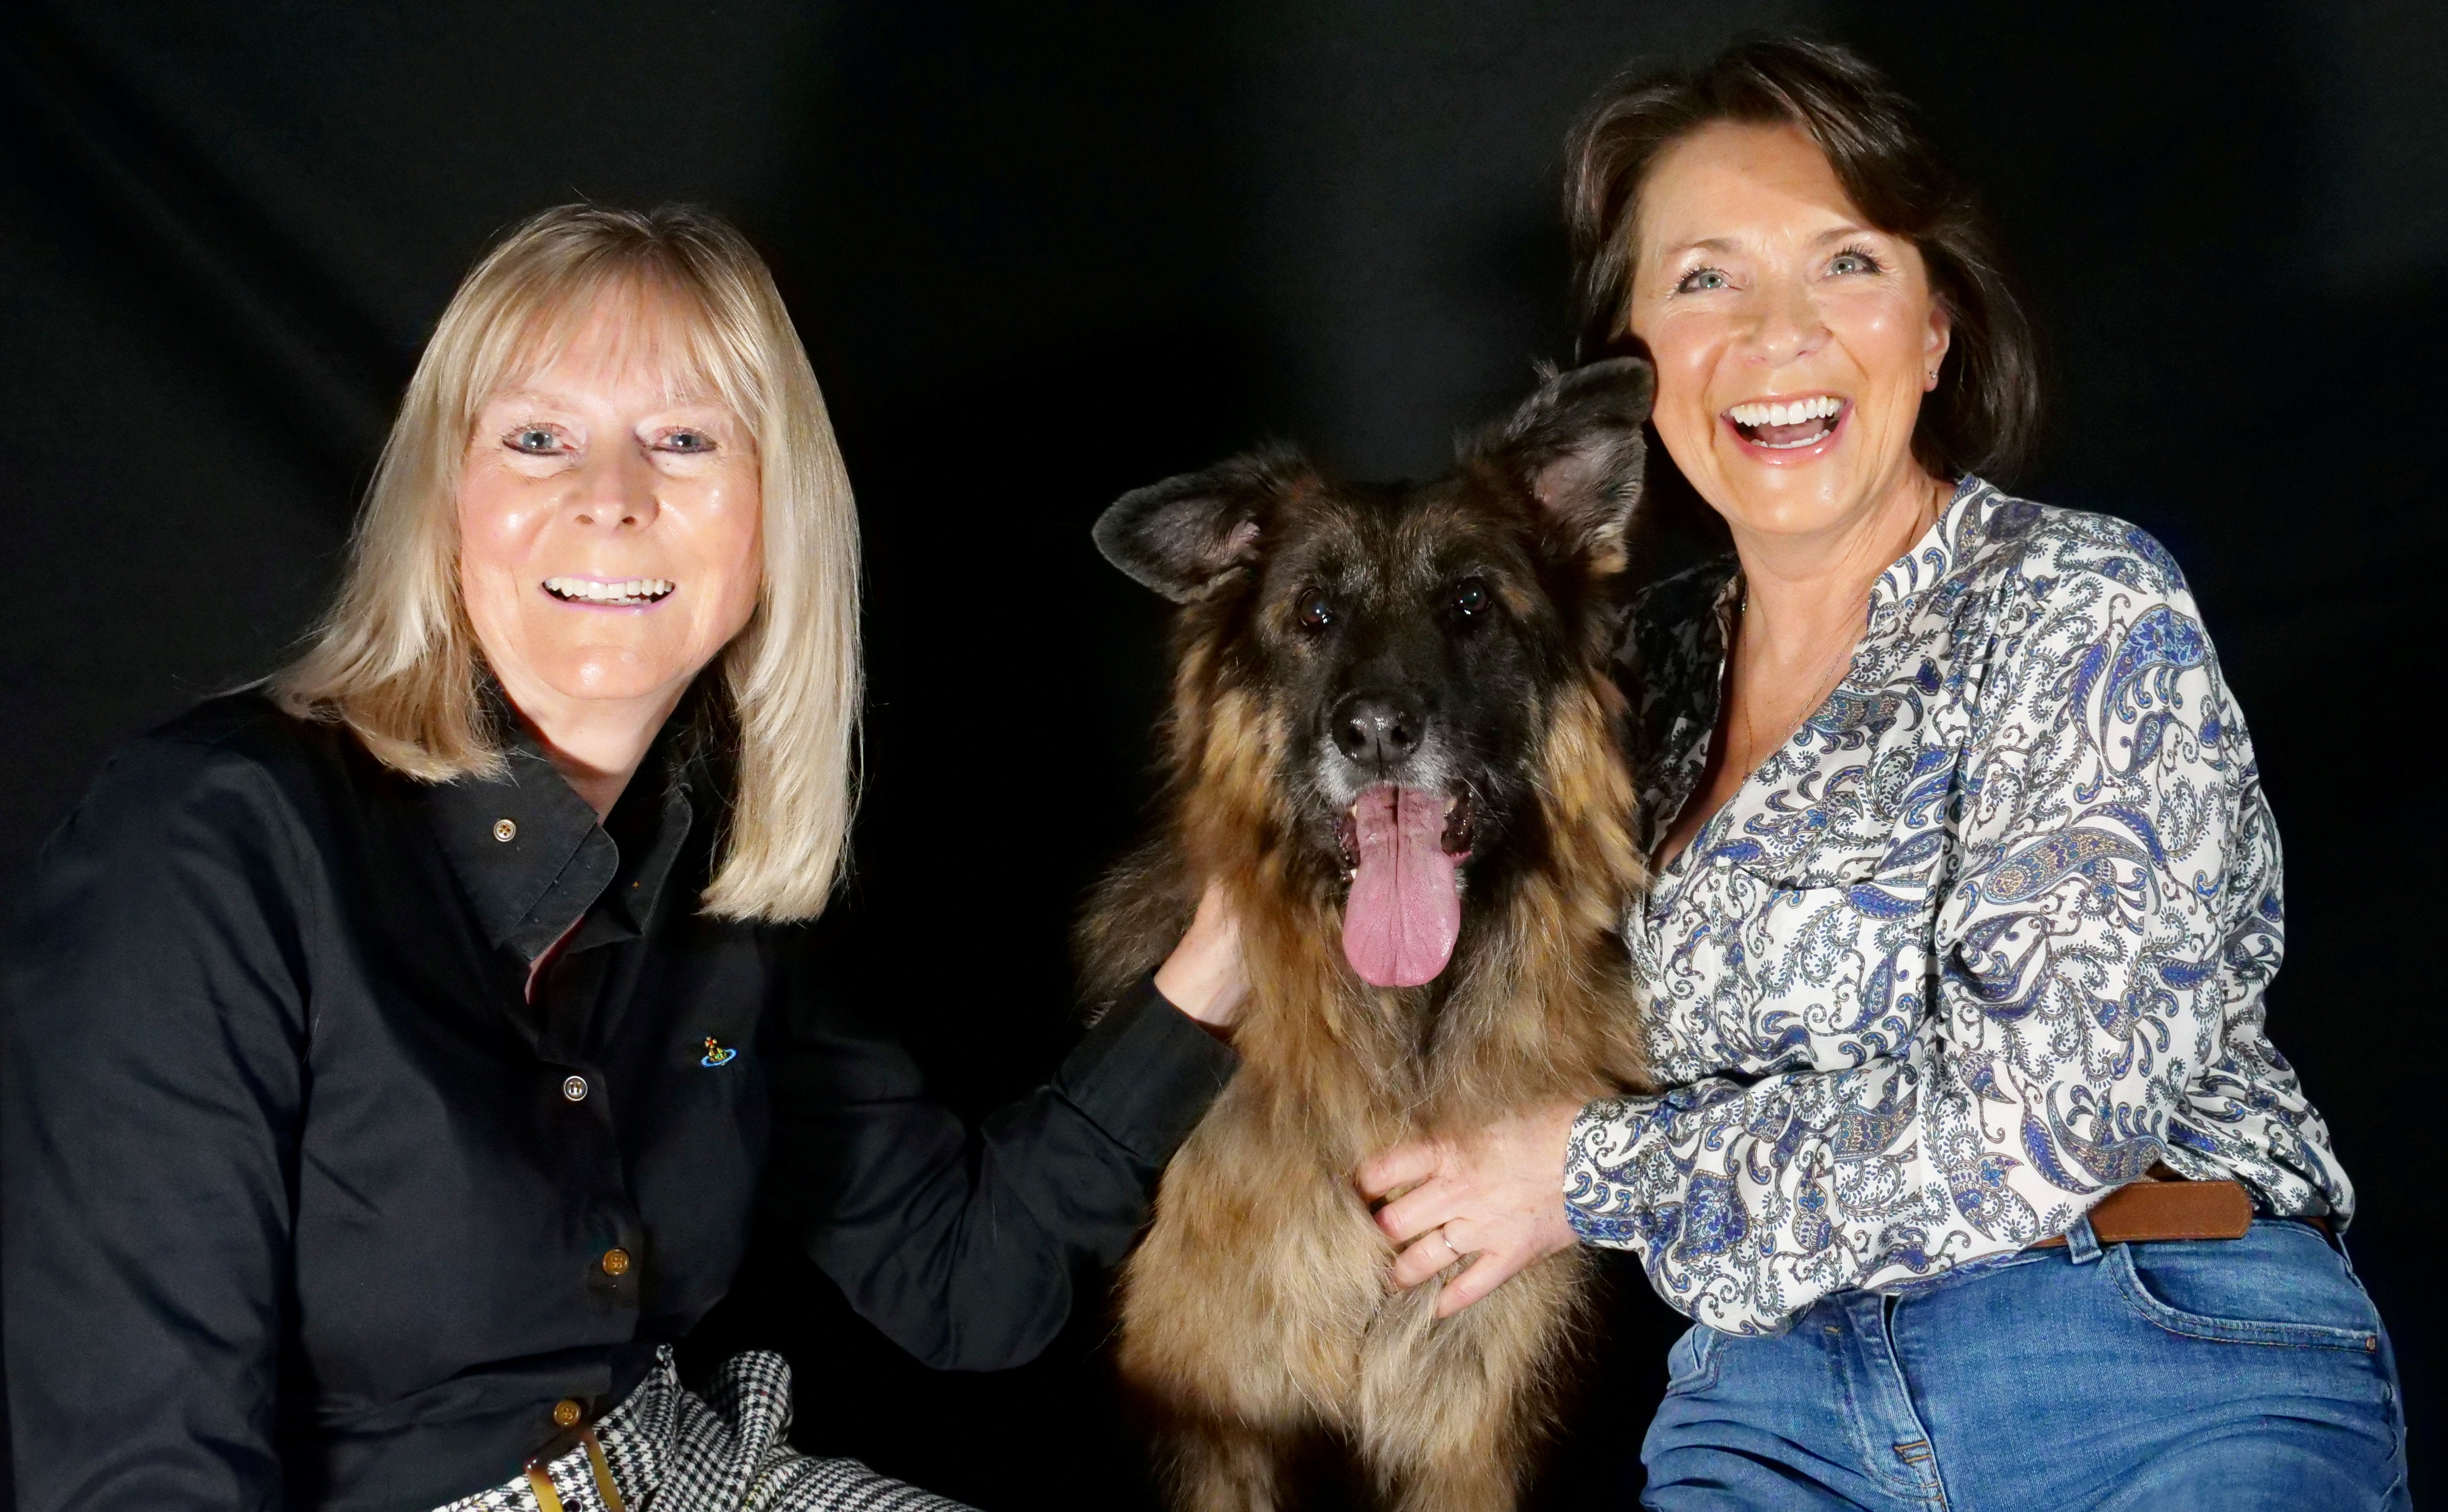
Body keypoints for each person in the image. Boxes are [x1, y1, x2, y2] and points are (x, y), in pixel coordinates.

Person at [2, 205, 1248, 1512]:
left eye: (684, 439)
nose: (610, 497)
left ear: (774, 515)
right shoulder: (206, 841)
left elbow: (967, 1282)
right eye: (538, 439)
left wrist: (1227, 952)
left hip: (681, 1470)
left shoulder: (704, 881)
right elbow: (138, 1478)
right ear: (449, 501)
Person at [1356, 39, 2409, 1510]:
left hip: (2133, 1342)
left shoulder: (2075, 606)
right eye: (1705, 279)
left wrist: (1584, 1175)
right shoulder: (1622, 684)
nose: (1777, 334)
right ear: (1627, 367)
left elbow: (2046, 1118)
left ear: (1933, 331)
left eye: (1845, 265)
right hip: (1772, 1410)